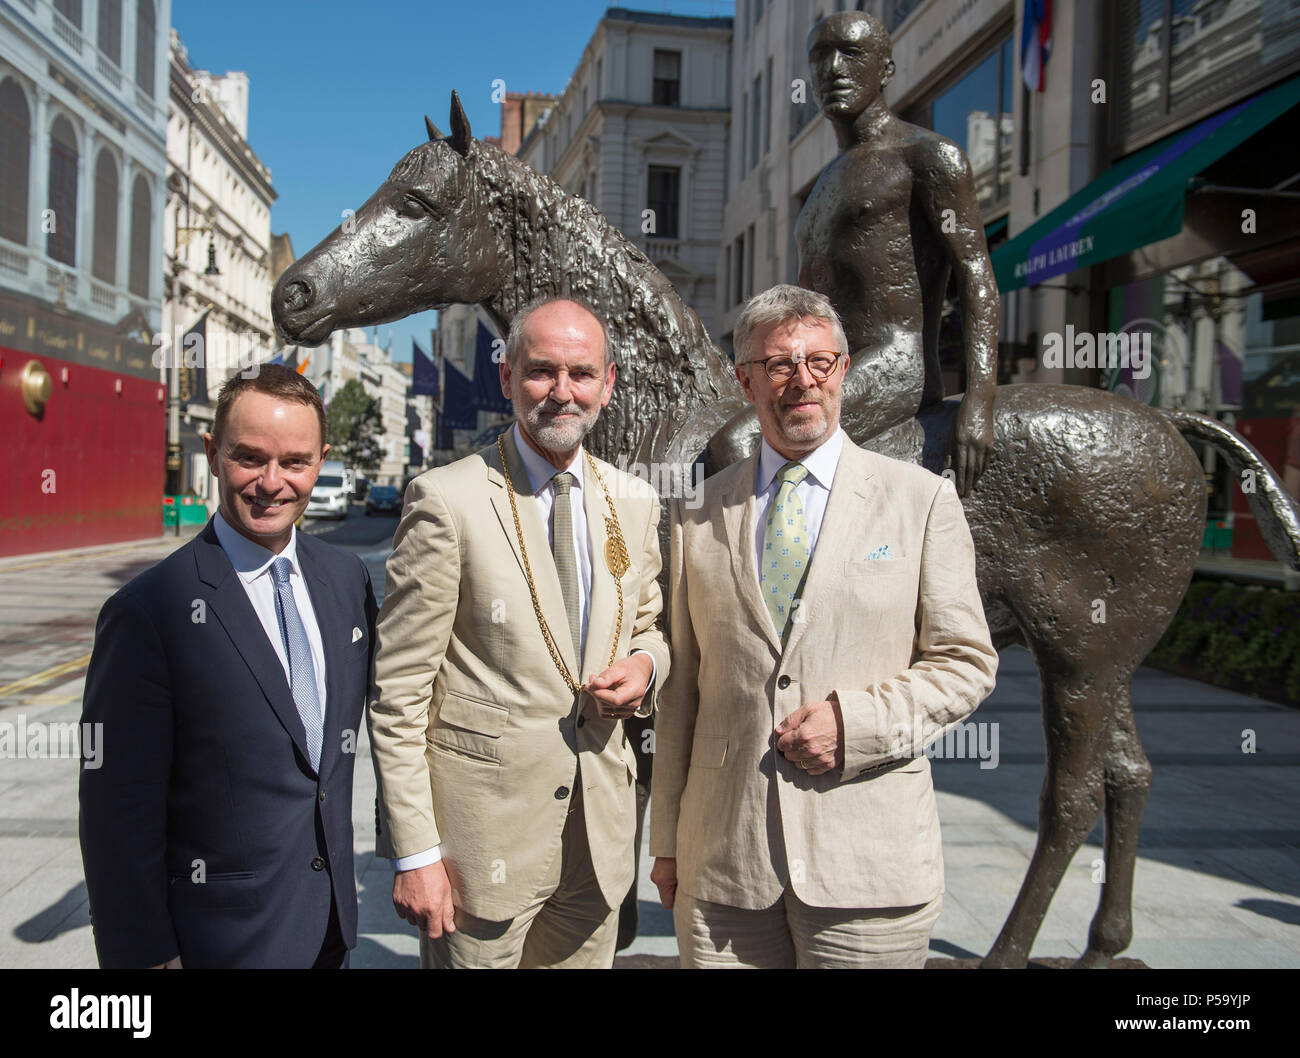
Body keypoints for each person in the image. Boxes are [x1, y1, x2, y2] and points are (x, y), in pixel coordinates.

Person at [650, 285, 998, 969]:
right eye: (778, 364)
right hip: (724, 872)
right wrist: (667, 841)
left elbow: (966, 663)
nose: (800, 380)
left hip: (867, 873)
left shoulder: (921, 502)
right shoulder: (696, 514)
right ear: (747, 380)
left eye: (819, 361)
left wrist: (856, 724)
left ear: (842, 370)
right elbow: (682, 693)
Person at [368, 296, 670, 969]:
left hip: (598, 846)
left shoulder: (636, 501)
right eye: (541, 372)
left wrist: (648, 665)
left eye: (582, 374)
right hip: (481, 853)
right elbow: (399, 695)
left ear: (608, 384)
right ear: (506, 378)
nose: (562, 393)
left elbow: (649, 624)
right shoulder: (446, 500)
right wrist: (415, 852)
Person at [79, 365, 378, 968]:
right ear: (213, 454)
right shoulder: (147, 611)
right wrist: (143, 954)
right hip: (218, 945)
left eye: (295, 462)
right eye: (249, 458)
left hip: (329, 930)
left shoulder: (347, 579)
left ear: (321, 461)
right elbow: (117, 810)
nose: (272, 483)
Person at [709, 10, 998, 495]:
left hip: (896, 361)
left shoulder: (928, 157)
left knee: (737, 444)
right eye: (820, 57)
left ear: (885, 68)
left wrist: (981, 397)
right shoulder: (824, 181)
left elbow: (977, 278)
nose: (834, 69)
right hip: (823, 361)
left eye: (851, 54)